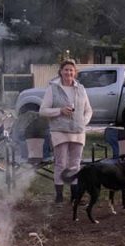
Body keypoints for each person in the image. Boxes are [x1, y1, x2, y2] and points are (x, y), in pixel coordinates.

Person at [39, 59, 93, 203]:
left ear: (75, 73)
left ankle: (75, 196)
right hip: (59, 131)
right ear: (61, 72)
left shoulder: (81, 88)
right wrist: (60, 111)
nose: (68, 72)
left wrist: (84, 122)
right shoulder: (52, 88)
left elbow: (88, 110)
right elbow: (43, 110)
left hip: (78, 132)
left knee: (75, 164)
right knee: (61, 163)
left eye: (71, 70)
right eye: (66, 70)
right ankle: (59, 195)